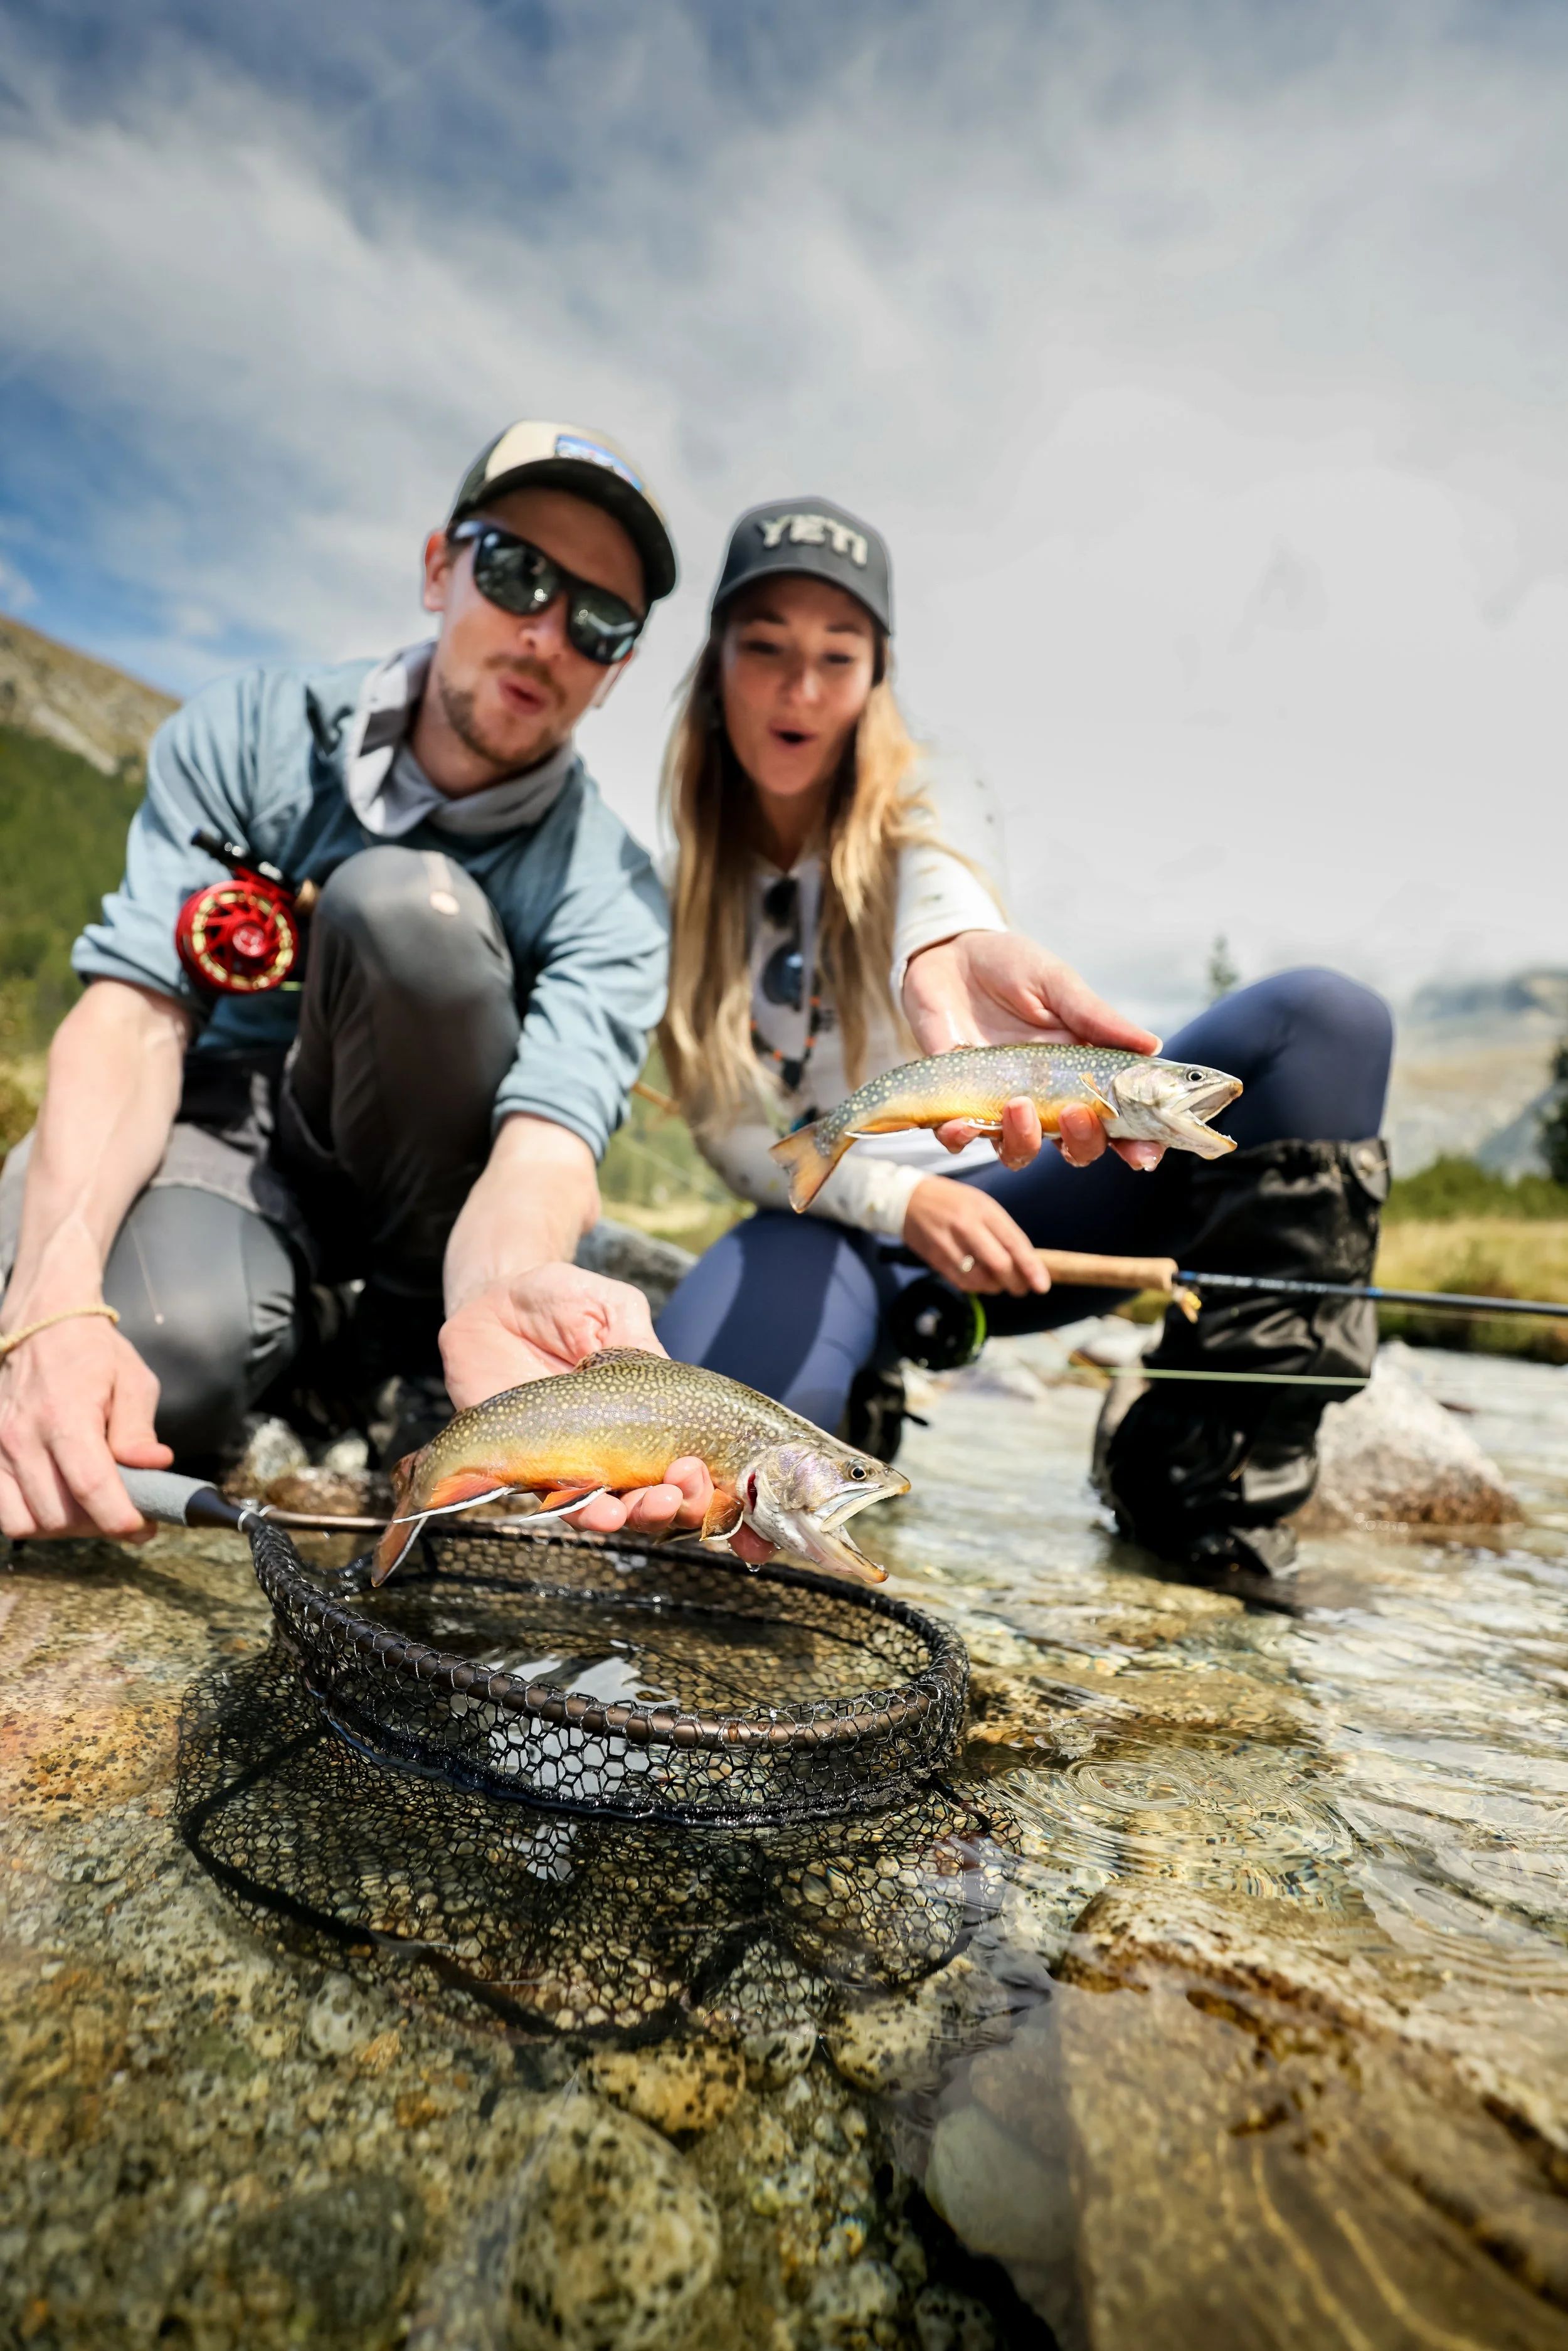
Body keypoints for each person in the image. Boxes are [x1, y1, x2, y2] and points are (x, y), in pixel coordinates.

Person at [0, 421, 748, 1558]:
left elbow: (548, 1143)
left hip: (438, 1213)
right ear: (441, 567)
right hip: (232, 1127)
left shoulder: (614, 890)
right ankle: (289, 1333)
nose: (548, 633)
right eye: (516, 573)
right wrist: (48, 1301)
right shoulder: (251, 732)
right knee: (152, 1373)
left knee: (408, 909)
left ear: (620, 668)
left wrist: (505, 1290)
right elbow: (135, 1013)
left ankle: (400, 1348)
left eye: (599, 621)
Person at [654, 497, 1394, 1576]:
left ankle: (1201, 1486)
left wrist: (944, 946)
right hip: (825, 1230)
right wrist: (907, 1199)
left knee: (1327, 1023)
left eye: (837, 655)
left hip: (1025, 1199)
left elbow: (941, 882)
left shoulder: (934, 786)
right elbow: (732, 1140)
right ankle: (860, 1392)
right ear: (716, 665)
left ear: (877, 678)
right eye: (764, 648)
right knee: (718, 1532)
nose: (799, 689)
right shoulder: (674, 891)